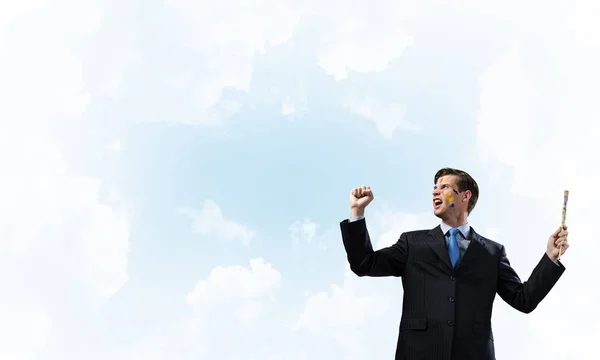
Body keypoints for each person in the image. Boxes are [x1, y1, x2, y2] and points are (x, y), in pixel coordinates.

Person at [339, 168, 569, 360]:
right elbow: (364, 264)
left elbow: (524, 300)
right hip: (419, 352)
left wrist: (550, 257)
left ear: (465, 196)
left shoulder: (492, 251)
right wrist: (357, 212)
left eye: (444, 187)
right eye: (434, 188)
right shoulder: (412, 242)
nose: (435, 191)